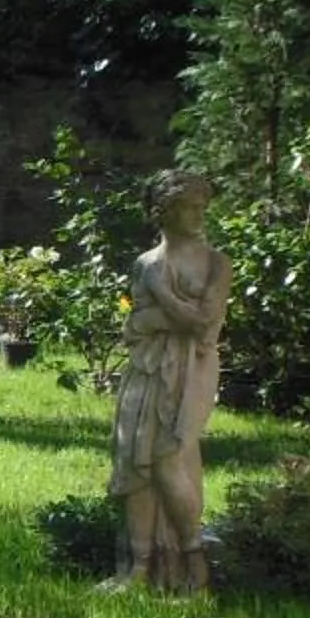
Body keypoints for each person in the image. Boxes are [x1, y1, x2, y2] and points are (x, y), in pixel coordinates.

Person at [107, 170, 231, 592]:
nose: (198, 215)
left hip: (192, 370)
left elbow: (204, 324)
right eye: (189, 208)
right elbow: (133, 327)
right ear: (165, 212)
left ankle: (193, 561)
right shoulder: (145, 264)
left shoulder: (216, 264)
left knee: (167, 459)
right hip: (146, 368)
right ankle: (140, 567)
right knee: (135, 461)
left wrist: (161, 295)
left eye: (201, 207)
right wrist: (161, 315)